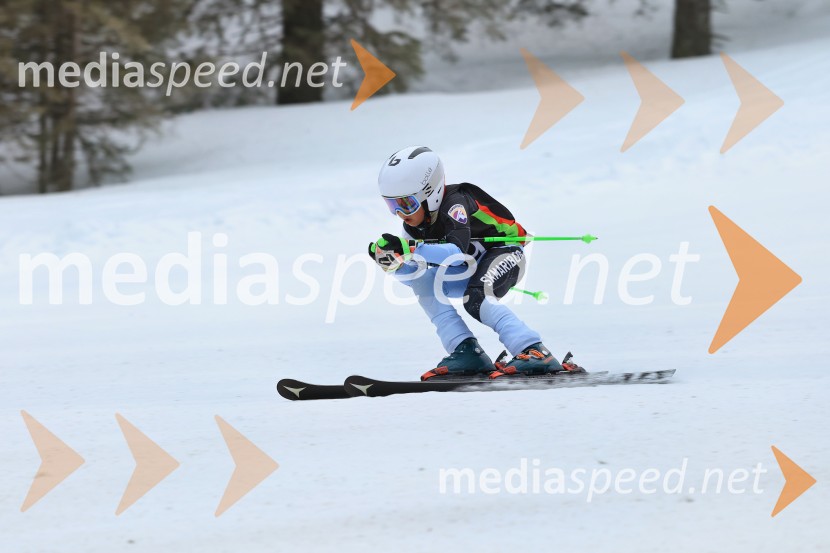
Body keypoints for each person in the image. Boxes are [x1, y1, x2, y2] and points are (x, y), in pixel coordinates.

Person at [367, 145, 580, 381]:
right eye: (392, 205)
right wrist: (395, 265)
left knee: (476, 297)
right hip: (471, 266)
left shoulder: (455, 204)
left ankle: (533, 349)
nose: (400, 213)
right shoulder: (413, 225)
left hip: (506, 252)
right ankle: (466, 351)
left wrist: (412, 249)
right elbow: (416, 274)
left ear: (430, 193)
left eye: (406, 204)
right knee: (425, 283)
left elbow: (456, 253)